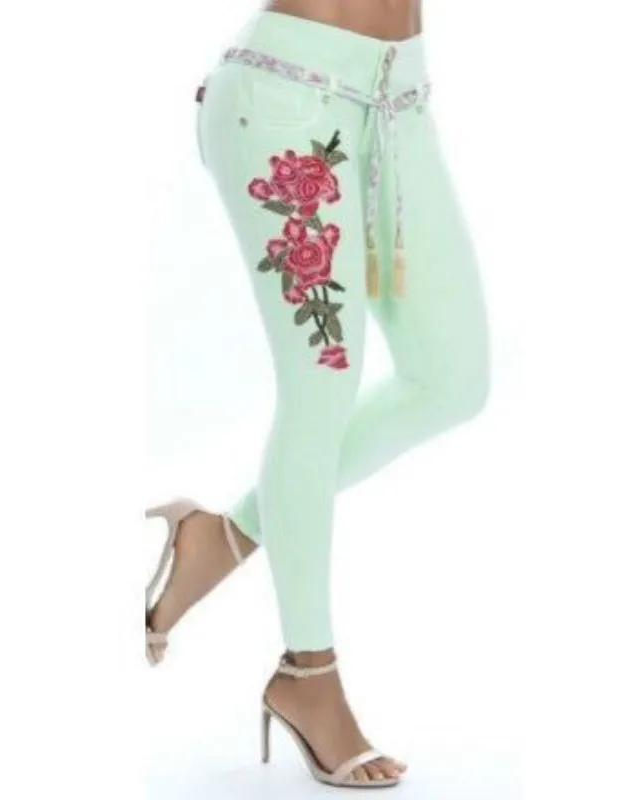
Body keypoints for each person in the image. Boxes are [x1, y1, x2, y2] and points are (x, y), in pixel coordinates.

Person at [146, 0, 490, 788]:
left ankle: (221, 537)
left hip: (400, 100)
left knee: (453, 378)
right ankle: (308, 674)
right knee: (321, 384)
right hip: (287, 96)